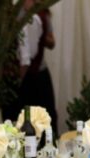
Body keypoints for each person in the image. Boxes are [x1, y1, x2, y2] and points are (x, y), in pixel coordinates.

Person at [17, 4, 58, 135]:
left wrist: (39, 35)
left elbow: (52, 43)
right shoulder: (16, 13)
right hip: (22, 73)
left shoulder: (42, 13)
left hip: (40, 72)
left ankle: (49, 148)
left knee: (46, 116)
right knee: (24, 118)